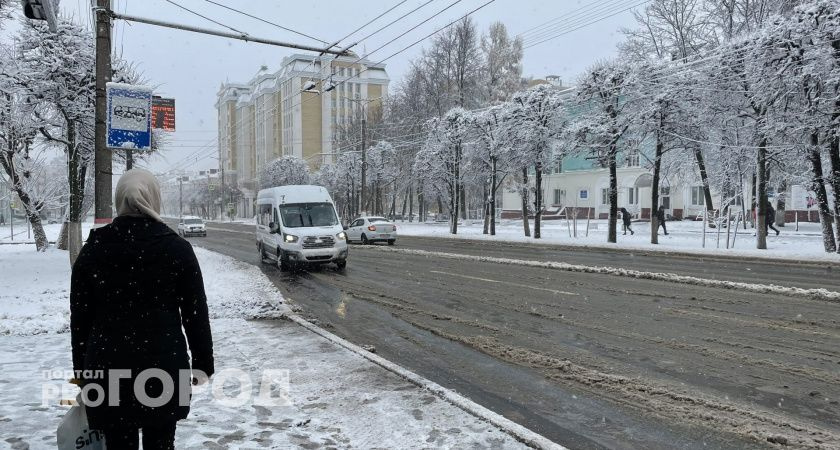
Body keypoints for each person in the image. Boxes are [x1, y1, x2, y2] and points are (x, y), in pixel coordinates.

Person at [71, 169, 214, 450]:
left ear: (119, 200)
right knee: (160, 442)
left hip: (109, 367)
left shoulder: (94, 249)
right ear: (154, 197)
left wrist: (83, 373)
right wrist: (202, 365)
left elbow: (81, 319)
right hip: (164, 366)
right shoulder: (176, 248)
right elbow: (195, 313)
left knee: (118, 443)